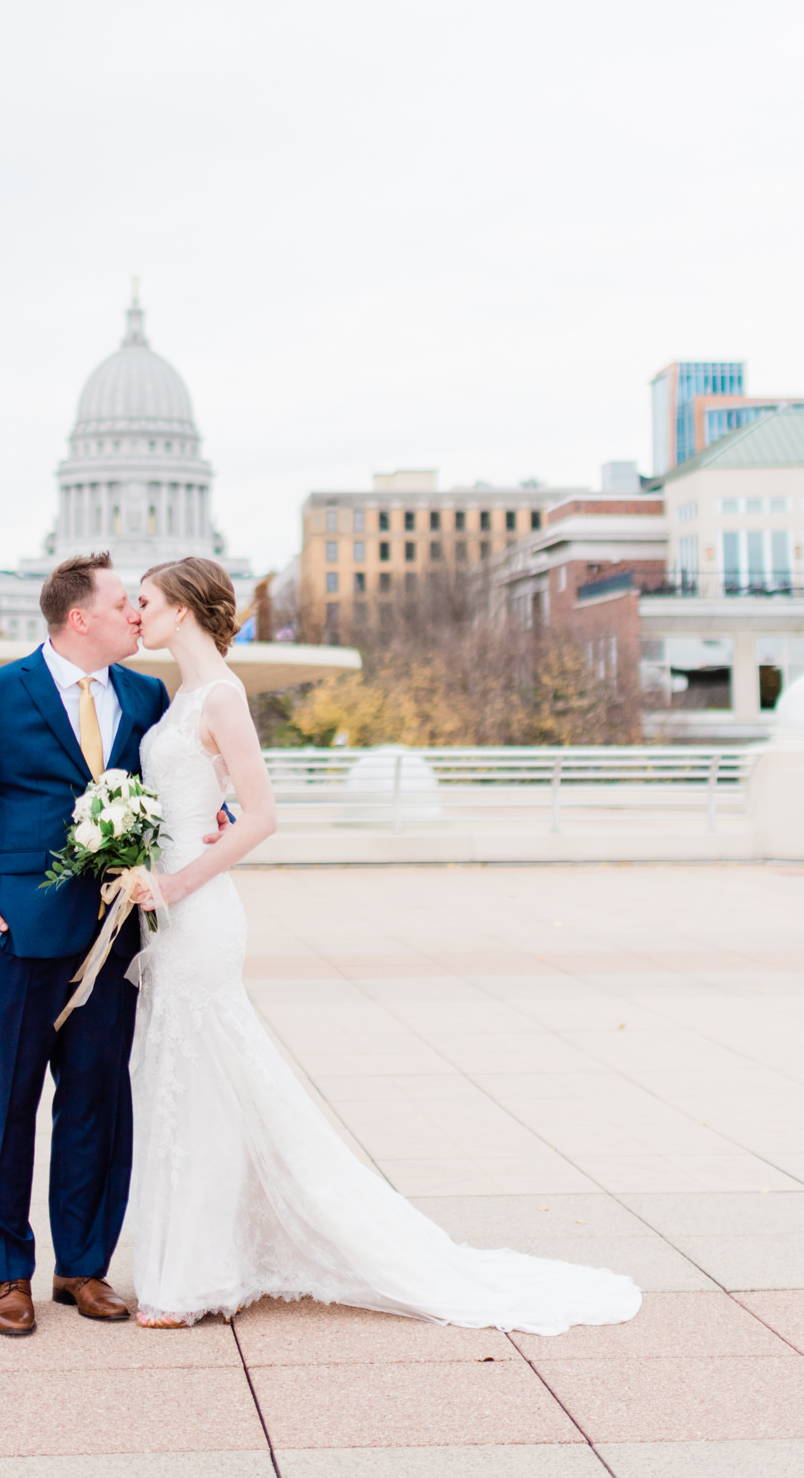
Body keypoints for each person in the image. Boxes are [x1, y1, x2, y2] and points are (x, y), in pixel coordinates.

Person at [127, 554, 643, 1336]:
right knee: (185, 1085)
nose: (137, 615)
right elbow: (207, 801)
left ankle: (196, 1276)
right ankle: (194, 1262)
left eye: (145, 602)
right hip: (165, 906)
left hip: (197, 913)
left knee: (204, 1087)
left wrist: (177, 881)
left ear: (185, 612)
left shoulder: (224, 695)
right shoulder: (178, 696)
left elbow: (262, 816)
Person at [0, 551, 171, 1338]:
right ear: (80, 617)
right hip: (16, 938)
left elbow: (166, 793)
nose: (138, 614)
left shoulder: (145, 695)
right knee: (3, 1108)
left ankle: (84, 1266)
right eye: (124, 603)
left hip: (111, 936)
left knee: (99, 1102)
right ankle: (5, 1272)